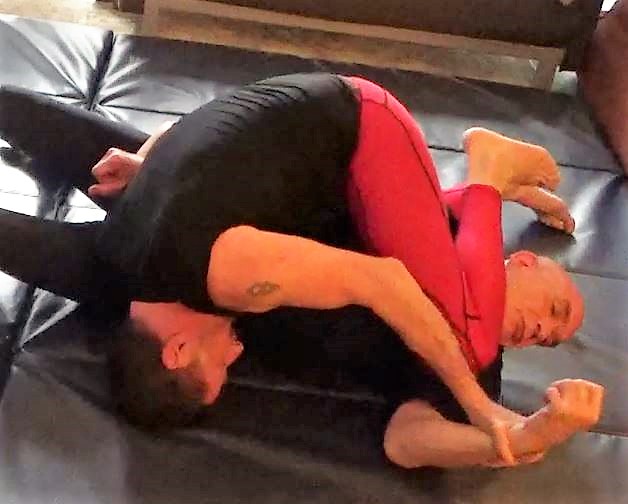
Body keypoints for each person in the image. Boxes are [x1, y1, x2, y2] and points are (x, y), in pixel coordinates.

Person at [0, 74, 602, 469]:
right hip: (237, 245)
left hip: (209, 256)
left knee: (118, 221)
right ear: (521, 259)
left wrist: (517, 437)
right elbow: (389, 257)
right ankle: (489, 168)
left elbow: (407, 439)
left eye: (548, 340)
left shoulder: (476, 357)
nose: (542, 330)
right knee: (468, 333)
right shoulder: (454, 294)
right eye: (555, 309)